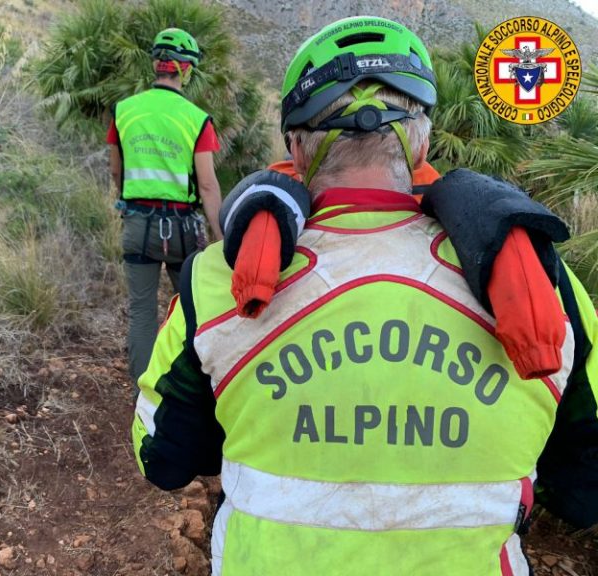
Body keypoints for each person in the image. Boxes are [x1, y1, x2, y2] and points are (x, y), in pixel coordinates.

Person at [131, 16, 598, 575]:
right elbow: (583, 490)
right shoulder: (540, 285)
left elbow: (164, 458)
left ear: (296, 151)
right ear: (422, 140)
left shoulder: (217, 279)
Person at [107, 27, 224, 386]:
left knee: (142, 313)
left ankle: (143, 394)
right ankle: (192, 389)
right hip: (181, 230)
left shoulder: (124, 111)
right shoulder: (196, 119)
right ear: (185, 70)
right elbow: (206, 184)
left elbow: (116, 170)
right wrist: (219, 237)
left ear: (156, 67)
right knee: (191, 308)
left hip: (138, 225)